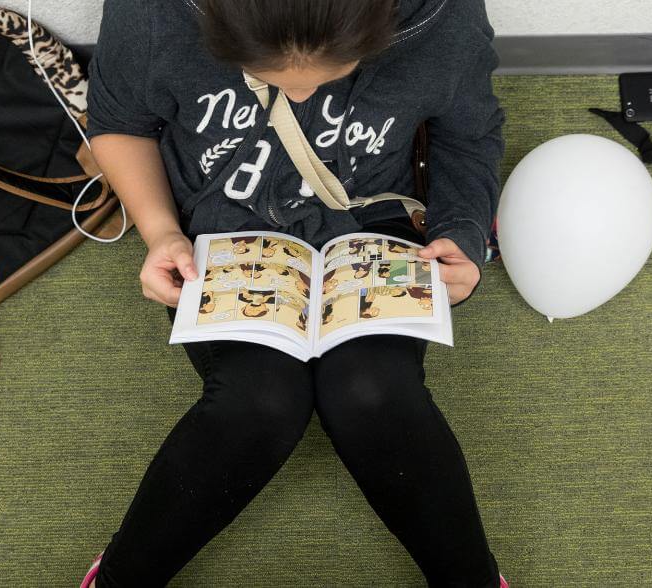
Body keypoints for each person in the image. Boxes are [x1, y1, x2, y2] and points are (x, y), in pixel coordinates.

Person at [80, 0, 506, 585]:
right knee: (259, 401)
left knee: (371, 390)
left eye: (334, 74)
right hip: (224, 227)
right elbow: (121, 122)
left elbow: (468, 133)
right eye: (271, 76)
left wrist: (460, 233)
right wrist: (161, 233)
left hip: (370, 222)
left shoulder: (440, 17)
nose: (303, 99)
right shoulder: (155, 12)